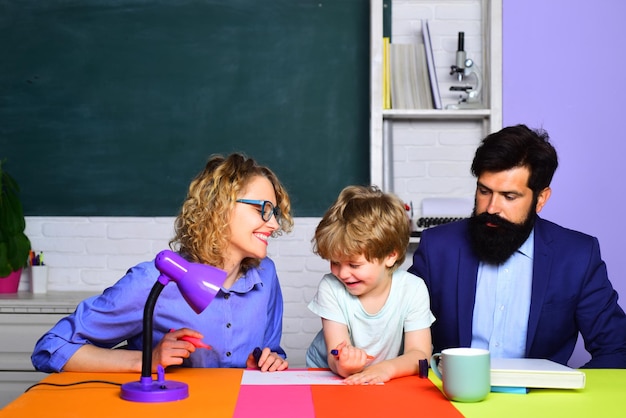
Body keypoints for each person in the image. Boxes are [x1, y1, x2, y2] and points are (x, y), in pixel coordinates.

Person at [32, 153, 294, 373]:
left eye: (274, 212)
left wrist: (268, 362)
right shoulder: (153, 282)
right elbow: (51, 347)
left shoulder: (266, 276)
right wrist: (146, 360)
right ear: (219, 207)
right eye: (263, 209)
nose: (273, 223)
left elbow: (272, 351)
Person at [408, 124, 626, 368]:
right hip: (450, 400)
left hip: (539, 403)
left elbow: (617, 348)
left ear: (540, 199)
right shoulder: (437, 248)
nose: (491, 208)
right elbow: (397, 335)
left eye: (509, 197)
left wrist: (564, 395)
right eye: (484, 191)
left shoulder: (577, 257)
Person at [306, 185, 435, 384]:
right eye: (335, 262)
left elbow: (419, 354)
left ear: (391, 255)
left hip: (383, 377)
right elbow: (334, 355)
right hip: (327, 374)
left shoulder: (413, 289)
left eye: (354, 264)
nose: (342, 273)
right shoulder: (331, 287)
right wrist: (344, 363)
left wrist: (386, 369)